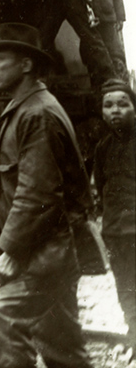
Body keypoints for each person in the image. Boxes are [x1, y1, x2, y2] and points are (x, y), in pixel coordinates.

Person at [0, 22, 95, 368]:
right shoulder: (28, 108)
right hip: (50, 252)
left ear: (26, 64)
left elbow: (37, 192)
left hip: (44, 254)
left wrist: (12, 252)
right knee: (62, 349)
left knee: (4, 318)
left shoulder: (37, 113)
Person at [94, 79, 136, 352]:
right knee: (126, 288)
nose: (115, 111)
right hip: (116, 234)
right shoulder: (103, 148)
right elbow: (101, 186)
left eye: (123, 103)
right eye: (108, 105)